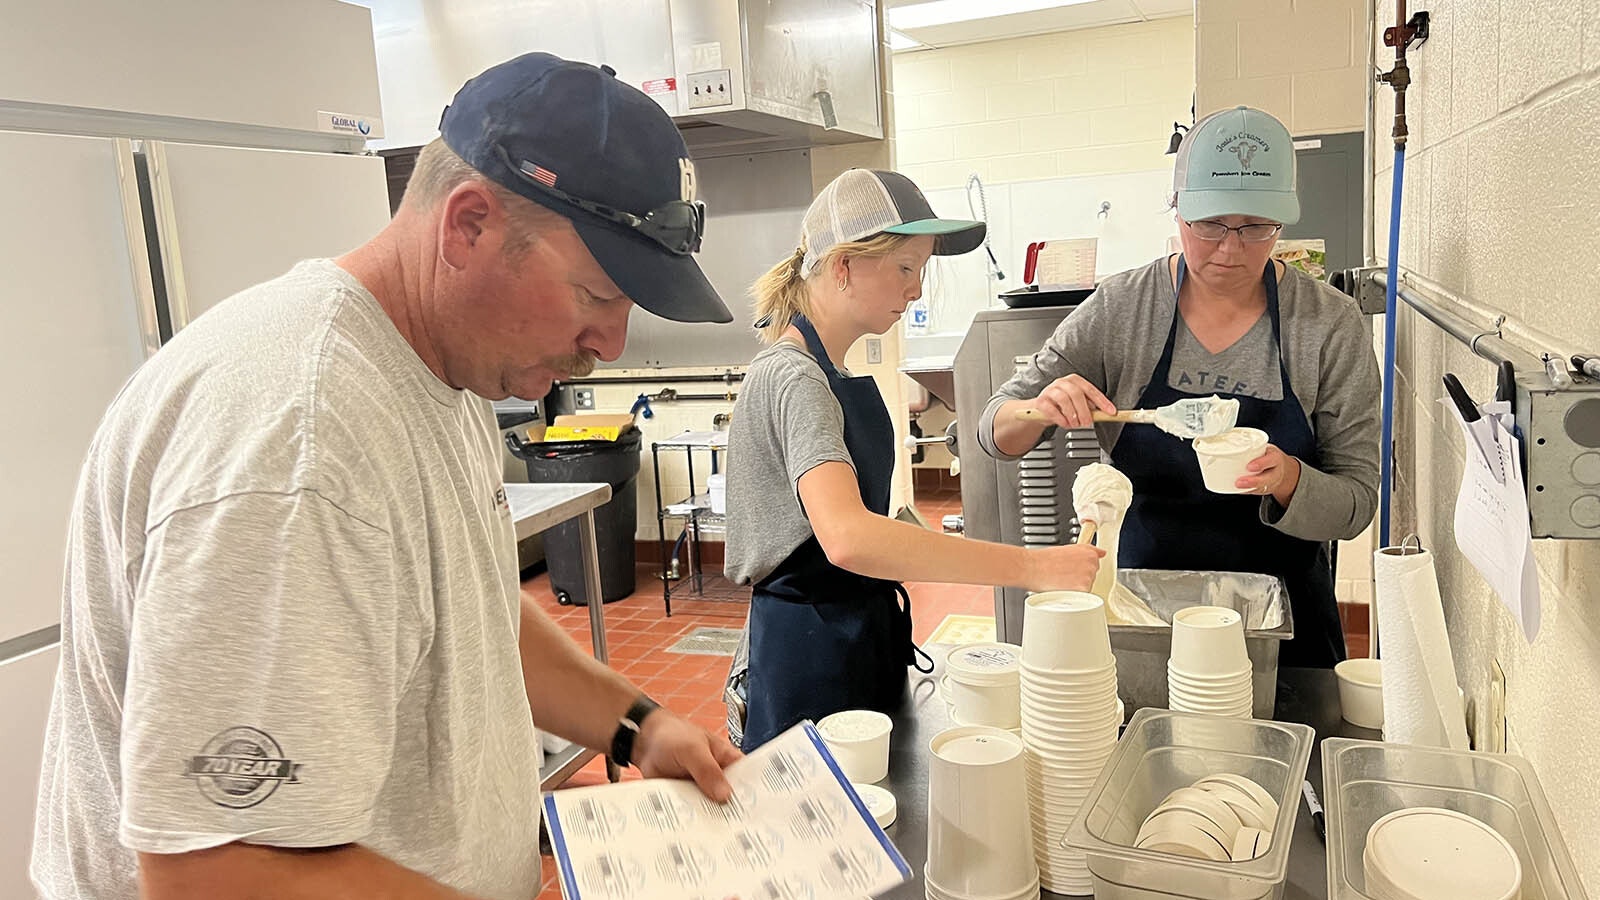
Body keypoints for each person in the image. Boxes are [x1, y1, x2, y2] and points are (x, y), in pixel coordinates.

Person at [32, 53, 741, 900]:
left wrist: (637, 725)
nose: (612, 343)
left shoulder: (442, 371)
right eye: (597, 294)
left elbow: (477, 615)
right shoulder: (301, 446)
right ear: (467, 225)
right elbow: (217, 870)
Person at [981, 106, 1380, 669]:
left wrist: (1288, 478)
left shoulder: (1328, 324)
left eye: (1255, 227)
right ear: (1177, 212)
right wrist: (1038, 409)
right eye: (1210, 224)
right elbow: (993, 430)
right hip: (1144, 610)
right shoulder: (1123, 308)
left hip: (1281, 626)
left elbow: (1358, 503)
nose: (1230, 249)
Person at [726, 169, 1105, 750]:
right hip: (811, 653)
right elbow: (848, 539)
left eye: (922, 270)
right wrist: (1035, 567)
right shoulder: (795, 376)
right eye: (906, 267)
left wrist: (913, 537)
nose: (917, 290)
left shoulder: (832, 372)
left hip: (856, 631)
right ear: (843, 265)